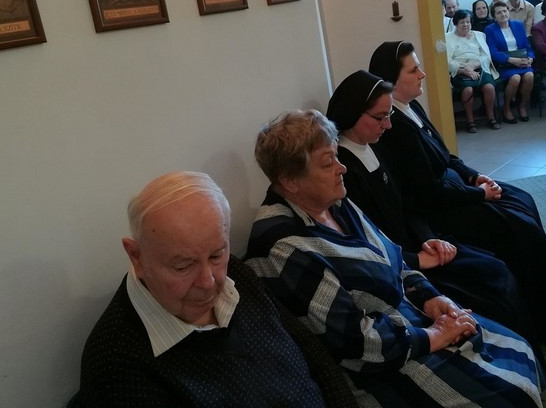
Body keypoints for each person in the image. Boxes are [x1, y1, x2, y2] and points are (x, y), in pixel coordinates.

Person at [246, 109, 546, 407]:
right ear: (290, 180)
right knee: (510, 394)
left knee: (518, 348)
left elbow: (392, 256)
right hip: (376, 365)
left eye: (337, 156)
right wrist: (434, 334)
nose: (342, 168)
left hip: (405, 320)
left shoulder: (332, 201)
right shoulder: (283, 246)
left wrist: (431, 297)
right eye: (328, 162)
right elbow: (355, 343)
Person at [75, 171, 356, 407]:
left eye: (216, 255)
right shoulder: (115, 364)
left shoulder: (235, 273)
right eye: (183, 266)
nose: (208, 281)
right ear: (136, 257)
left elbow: (310, 350)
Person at [326, 70, 545, 352]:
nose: (388, 125)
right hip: (401, 266)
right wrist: (416, 259)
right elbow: (365, 242)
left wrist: (429, 238)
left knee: (495, 267)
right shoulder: (344, 170)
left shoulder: (375, 148)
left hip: (420, 243)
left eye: (389, 115)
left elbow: (408, 205)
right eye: (380, 117)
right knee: (491, 283)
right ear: (353, 114)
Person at [368, 41, 546, 345]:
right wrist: (479, 195)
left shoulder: (412, 107)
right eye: (414, 69)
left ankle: (545, 306)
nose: (422, 74)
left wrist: (474, 176)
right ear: (392, 81)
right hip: (442, 208)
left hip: (457, 188)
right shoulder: (396, 128)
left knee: (524, 200)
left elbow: (446, 155)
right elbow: (427, 192)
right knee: (523, 230)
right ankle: (540, 321)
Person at [446, 9, 501, 131]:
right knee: (468, 90)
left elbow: (486, 56)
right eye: (462, 22)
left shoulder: (479, 35)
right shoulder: (448, 38)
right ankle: (470, 121)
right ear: (456, 24)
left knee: (489, 87)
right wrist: (466, 70)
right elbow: (447, 61)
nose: (465, 25)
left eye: (468, 22)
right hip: (459, 71)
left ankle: (491, 117)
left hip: (479, 68)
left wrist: (473, 66)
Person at [485, 1, 535, 123]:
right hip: (505, 64)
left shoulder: (518, 24)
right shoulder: (490, 29)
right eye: (499, 12)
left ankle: (522, 106)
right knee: (515, 78)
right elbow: (493, 52)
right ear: (494, 16)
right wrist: (511, 60)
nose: (503, 14)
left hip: (522, 61)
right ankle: (506, 107)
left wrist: (530, 58)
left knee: (529, 76)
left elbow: (527, 46)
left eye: (505, 11)